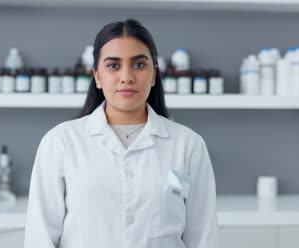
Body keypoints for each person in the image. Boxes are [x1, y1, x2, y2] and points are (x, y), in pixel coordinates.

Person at [24, 18, 219, 248]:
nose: (126, 76)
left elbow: (202, 236)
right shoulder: (61, 143)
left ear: (154, 74)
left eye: (138, 65)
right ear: (97, 76)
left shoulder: (187, 146)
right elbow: (40, 237)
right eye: (113, 65)